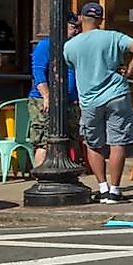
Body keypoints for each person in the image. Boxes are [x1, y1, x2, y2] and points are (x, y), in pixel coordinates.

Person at [62, 2, 133, 203]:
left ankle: (102, 187)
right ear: (100, 20)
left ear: (81, 18)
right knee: (117, 143)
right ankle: (115, 190)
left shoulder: (70, 45)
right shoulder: (113, 37)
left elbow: (70, 64)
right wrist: (130, 70)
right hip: (117, 94)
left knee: (93, 144)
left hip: (89, 99)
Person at [29, 14, 83, 169]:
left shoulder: (74, 46)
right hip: (44, 101)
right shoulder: (46, 45)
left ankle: (67, 174)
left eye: (78, 27)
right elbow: (38, 71)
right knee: (44, 141)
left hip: (70, 101)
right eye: (73, 27)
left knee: (71, 140)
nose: (77, 31)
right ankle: (41, 177)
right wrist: (46, 95)